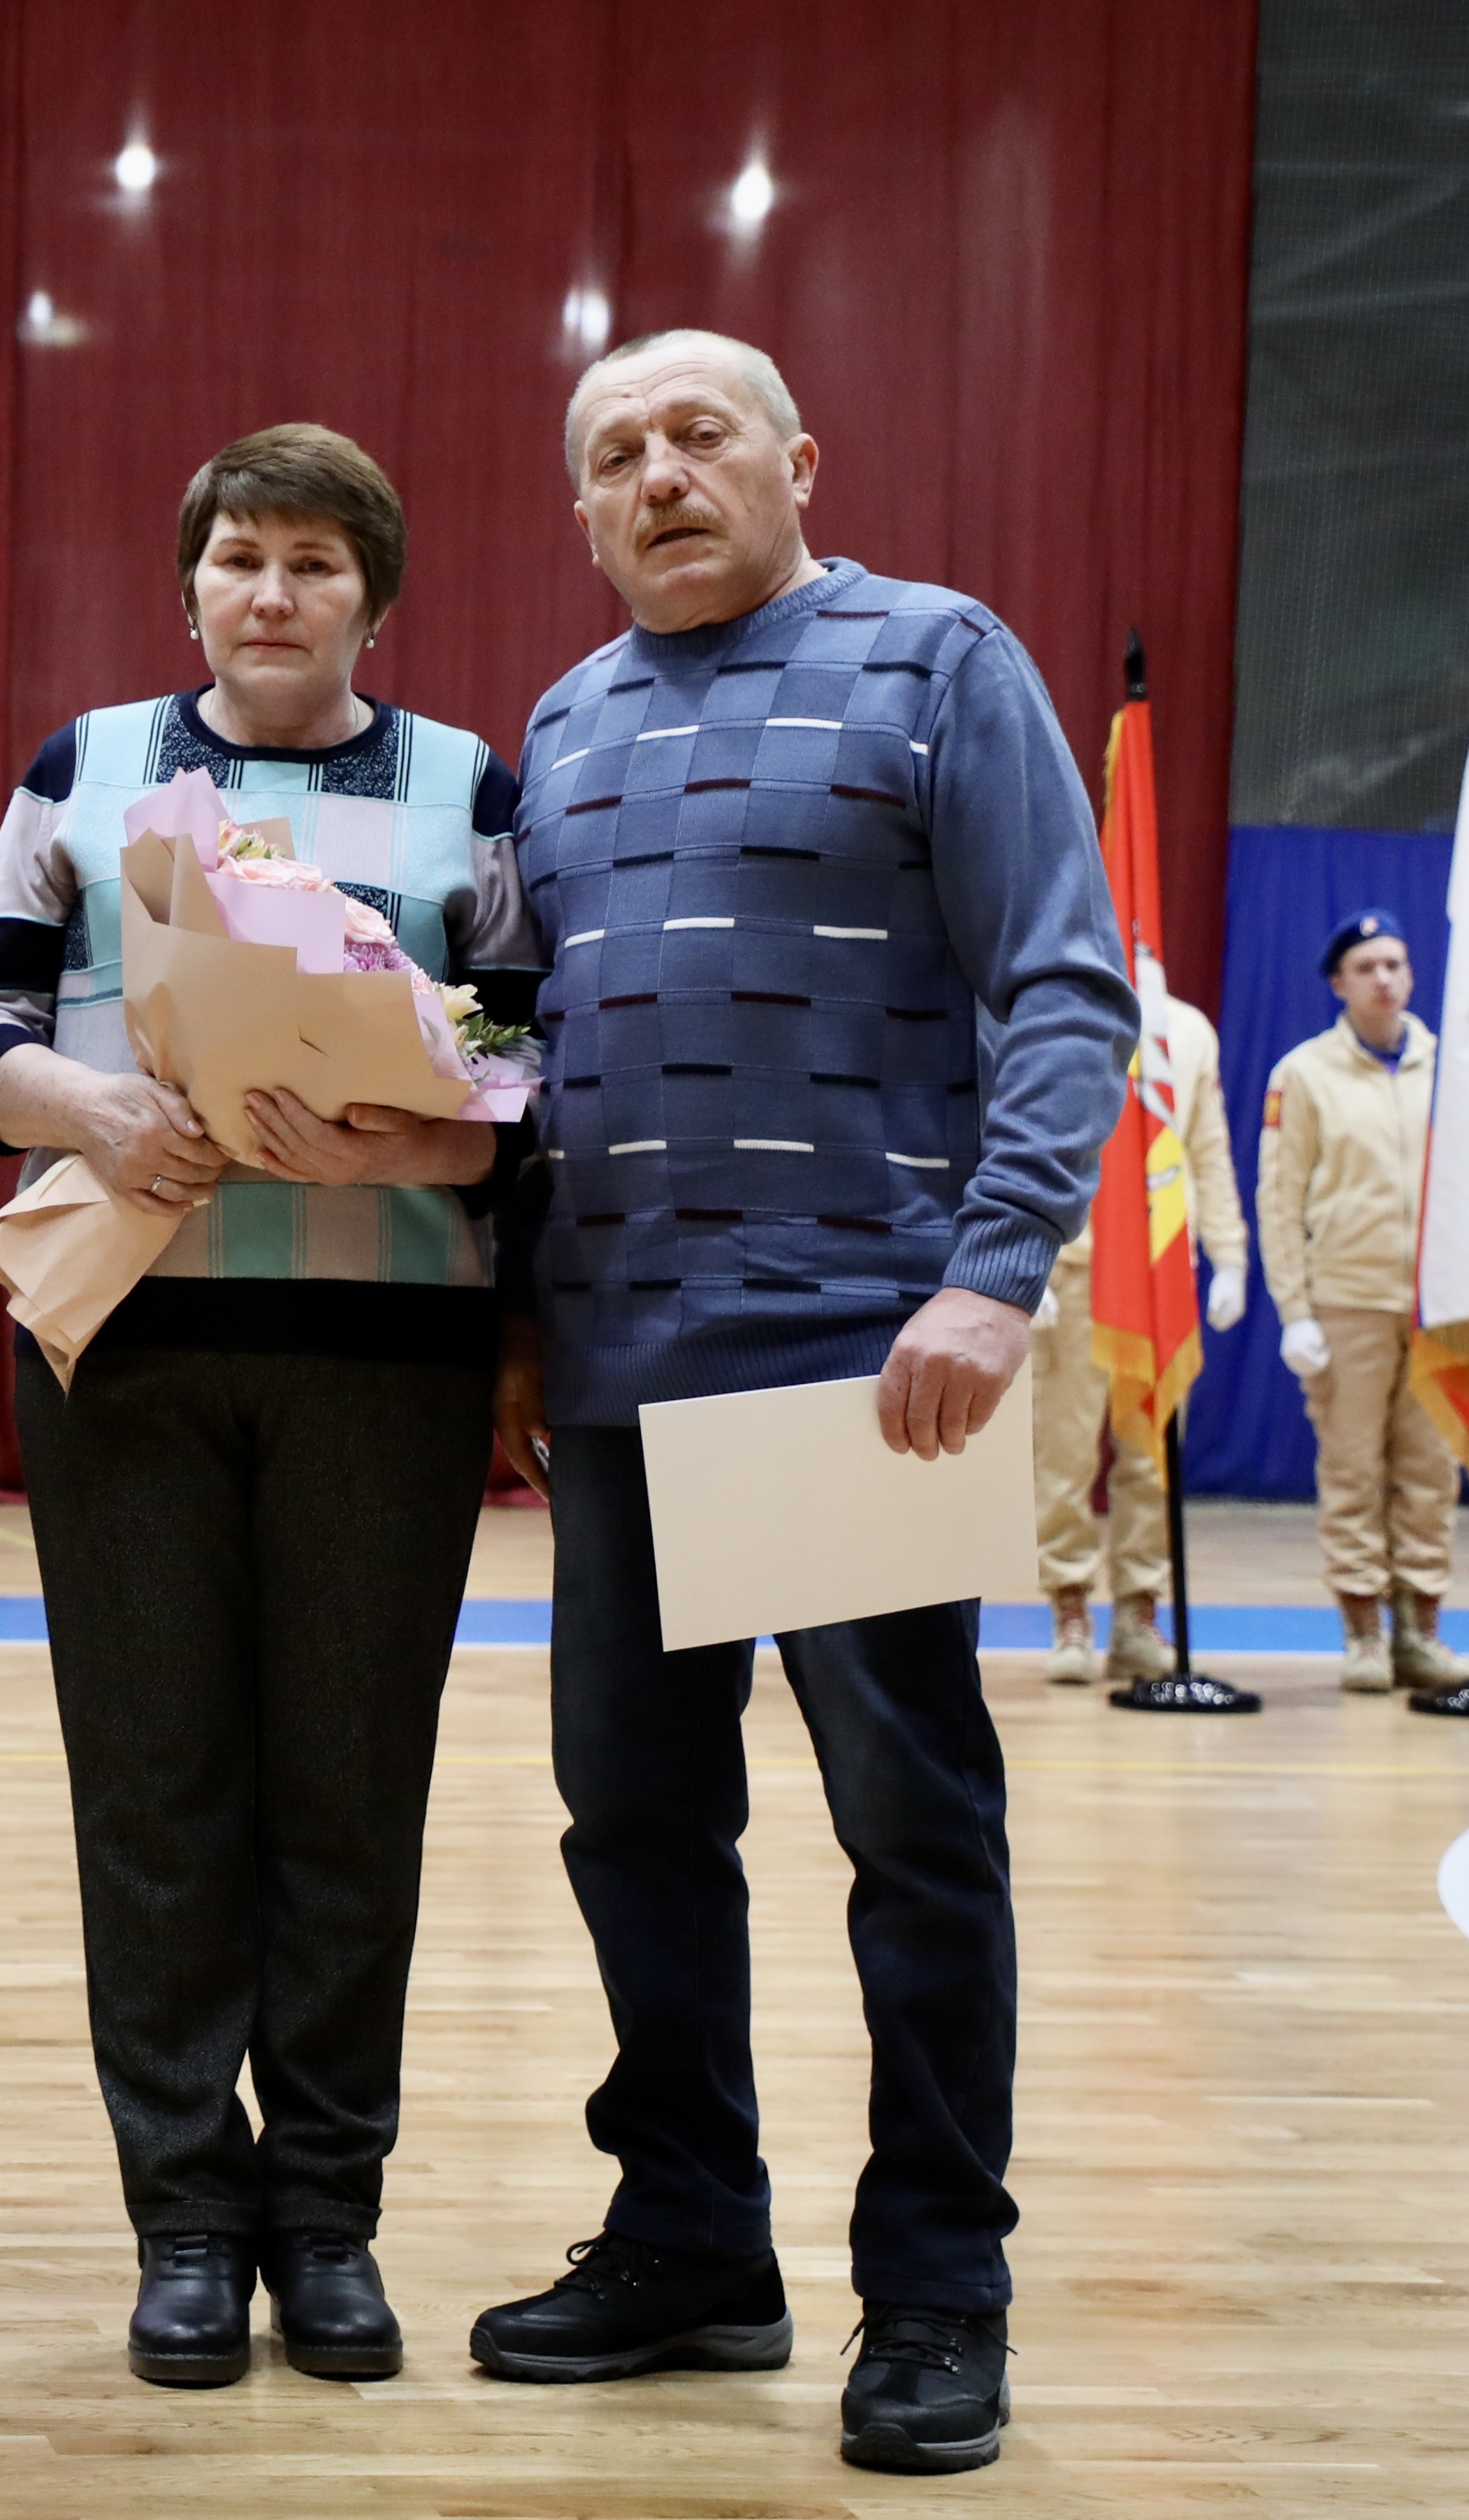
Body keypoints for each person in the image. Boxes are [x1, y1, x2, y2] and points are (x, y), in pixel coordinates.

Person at [477, 331, 1134, 2476]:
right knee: (632, 1828)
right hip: (613, 1370)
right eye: (612, 453)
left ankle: (935, 2283)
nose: (655, 474)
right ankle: (690, 2235)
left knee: (908, 1843)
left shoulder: (935, 660)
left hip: (855, 1361)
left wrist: (990, 1272)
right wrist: (509, 1312)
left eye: (696, 435)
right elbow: (520, 1057)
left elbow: (1063, 986)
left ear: (796, 461)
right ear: (580, 511)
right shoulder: (558, 725)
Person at [0, 423, 537, 2391]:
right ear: (185, 583)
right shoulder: (83, 764)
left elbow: (527, 1058)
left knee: (348, 1795)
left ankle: (328, 2221)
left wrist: (415, 1134)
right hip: (127, 1349)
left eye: (312, 563)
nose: (271, 594)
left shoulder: (466, 786)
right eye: (238, 558)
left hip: (388, 1360)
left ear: (373, 596)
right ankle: (185, 2219)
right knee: (156, 1793)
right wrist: (88, 1105)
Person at [1257, 913, 1469, 1696]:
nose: (1384, 977)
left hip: (1438, 1306)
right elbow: (1279, 1199)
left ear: (1411, 975)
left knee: (1429, 1473)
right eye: (1366, 966)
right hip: (1347, 1299)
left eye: (1394, 963)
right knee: (1351, 1468)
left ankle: (1420, 1630)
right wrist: (1295, 1310)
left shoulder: (1450, 1067)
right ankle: (1363, 1633)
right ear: (1338, 983)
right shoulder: (1304, 1073)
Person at [1029, 988, 1247, 1692]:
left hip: (1158, 1269)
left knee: (1151, 1458)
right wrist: (1021, 1261)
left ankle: (1137, 1613)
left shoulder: (1186, 1030)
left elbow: (1206, 1147)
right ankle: (1069, 1607)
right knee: (1061, 1454)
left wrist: (1229, 1254)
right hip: (1077, 1264)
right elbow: (1021, 1137)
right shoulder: (1057, 1009)